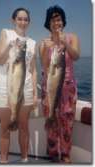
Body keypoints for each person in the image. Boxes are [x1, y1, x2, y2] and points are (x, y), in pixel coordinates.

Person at [0, 7, 37, 163]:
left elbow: (33, 70)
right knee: (5, 127)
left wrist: (35, 93)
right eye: (19, 18)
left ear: (29, 22)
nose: (23, 22)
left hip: (25, 89)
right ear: (13, 20)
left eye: (26, 19)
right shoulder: (5, 33)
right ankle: (4, 161)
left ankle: (24, 159)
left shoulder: (32, 43)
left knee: (24, 127)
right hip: (5, 89)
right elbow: (0, 60)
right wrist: (10, 46)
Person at [39, 5, 80, 163]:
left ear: (63, 21)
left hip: (68, 88)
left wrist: (66, 44)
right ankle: (53, 153)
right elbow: (44, 66)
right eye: (53, 20)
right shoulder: (43, 43)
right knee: (51, 120)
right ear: (48, 23)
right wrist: (44, 51)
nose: (57, 23)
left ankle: (66, 154)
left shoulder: (72, 37)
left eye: (59, 19)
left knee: (67, 121)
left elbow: (75, 56)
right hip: (49, 86)